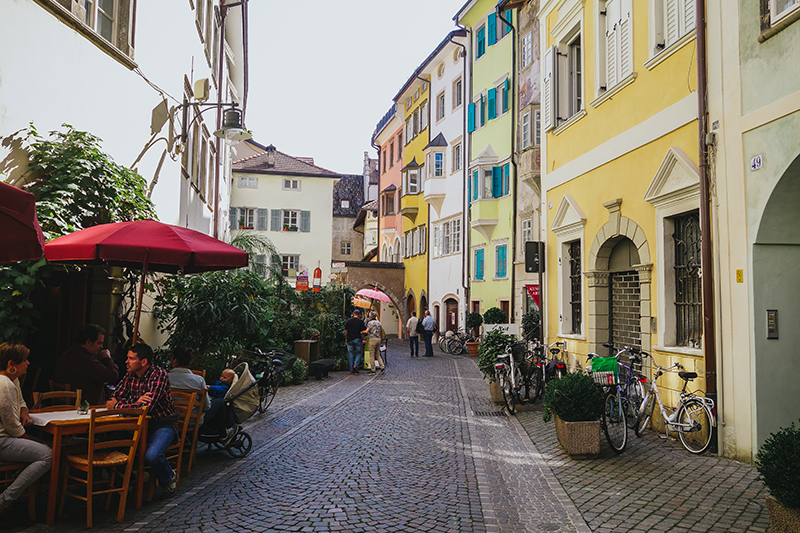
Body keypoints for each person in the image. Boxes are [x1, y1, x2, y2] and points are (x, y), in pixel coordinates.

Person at [107, 343, 179, 497]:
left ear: (144, 362)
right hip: (136, 424)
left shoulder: (159, 375)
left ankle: (169, 477)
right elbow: (111, 400)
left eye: (131, 358)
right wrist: (136, 401)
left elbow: (146, 408)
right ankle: (130, 479)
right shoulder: (129, 375)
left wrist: (123, 404)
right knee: (109, 443)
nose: (126, 362)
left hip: (162, 423)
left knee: (151, 456)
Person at [0, 343, 52, 516]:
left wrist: (24, 411)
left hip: (8, 437)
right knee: (47, 455)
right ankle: (4, 500)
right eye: (24, 360)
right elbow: (11, 425)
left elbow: (21, 400)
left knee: (45, 447)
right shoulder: (4, 385)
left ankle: (16, 482)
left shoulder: (11, 380)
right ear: (11, 364)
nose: (28, 363)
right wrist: (26, 439)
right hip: (3, 440)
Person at [54, 324, 119, 405]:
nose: (101, 346)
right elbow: (112, 375)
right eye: (99, 343)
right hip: (85, 406)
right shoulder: (82, 358)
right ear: (89, 342)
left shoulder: (73, 353)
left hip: (77, 402)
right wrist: (107, 358)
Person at [168, 347, 211, 423]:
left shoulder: (164, 378)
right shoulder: (199, 380)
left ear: (175, 361)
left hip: (169, 419)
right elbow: (206, 406)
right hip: (191, 421)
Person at [345, 309, 368, 374]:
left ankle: (351, 370)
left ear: (353, 313)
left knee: (350, 354)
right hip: (357, 339)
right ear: (359, 315)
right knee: (359, 353)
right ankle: (355, 365)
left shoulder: (348, 321)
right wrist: (362, 337)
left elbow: (345, 331)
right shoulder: (360, 322)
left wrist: (346, 339)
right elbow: (364, 331)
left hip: (349, 339)